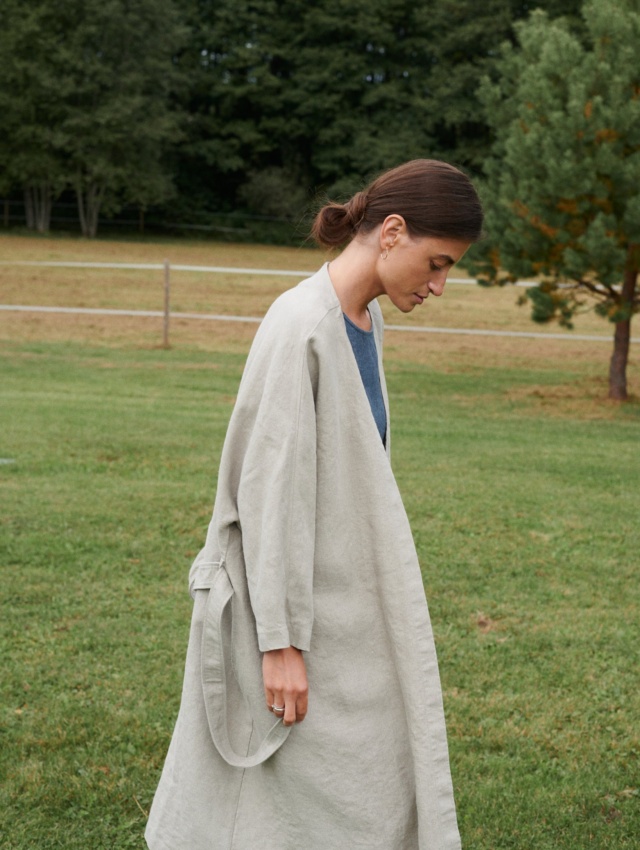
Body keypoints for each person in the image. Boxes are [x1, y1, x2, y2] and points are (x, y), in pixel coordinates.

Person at [145, 159, 484, 850]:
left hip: (345, 610)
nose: (440, 286)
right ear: (392, 232)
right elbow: (270, 495)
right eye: (437, 263)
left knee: (357, 785)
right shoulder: (302, 324)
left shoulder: (363, 321)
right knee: (264, 798)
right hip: (289, 617)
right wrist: (280, 644)